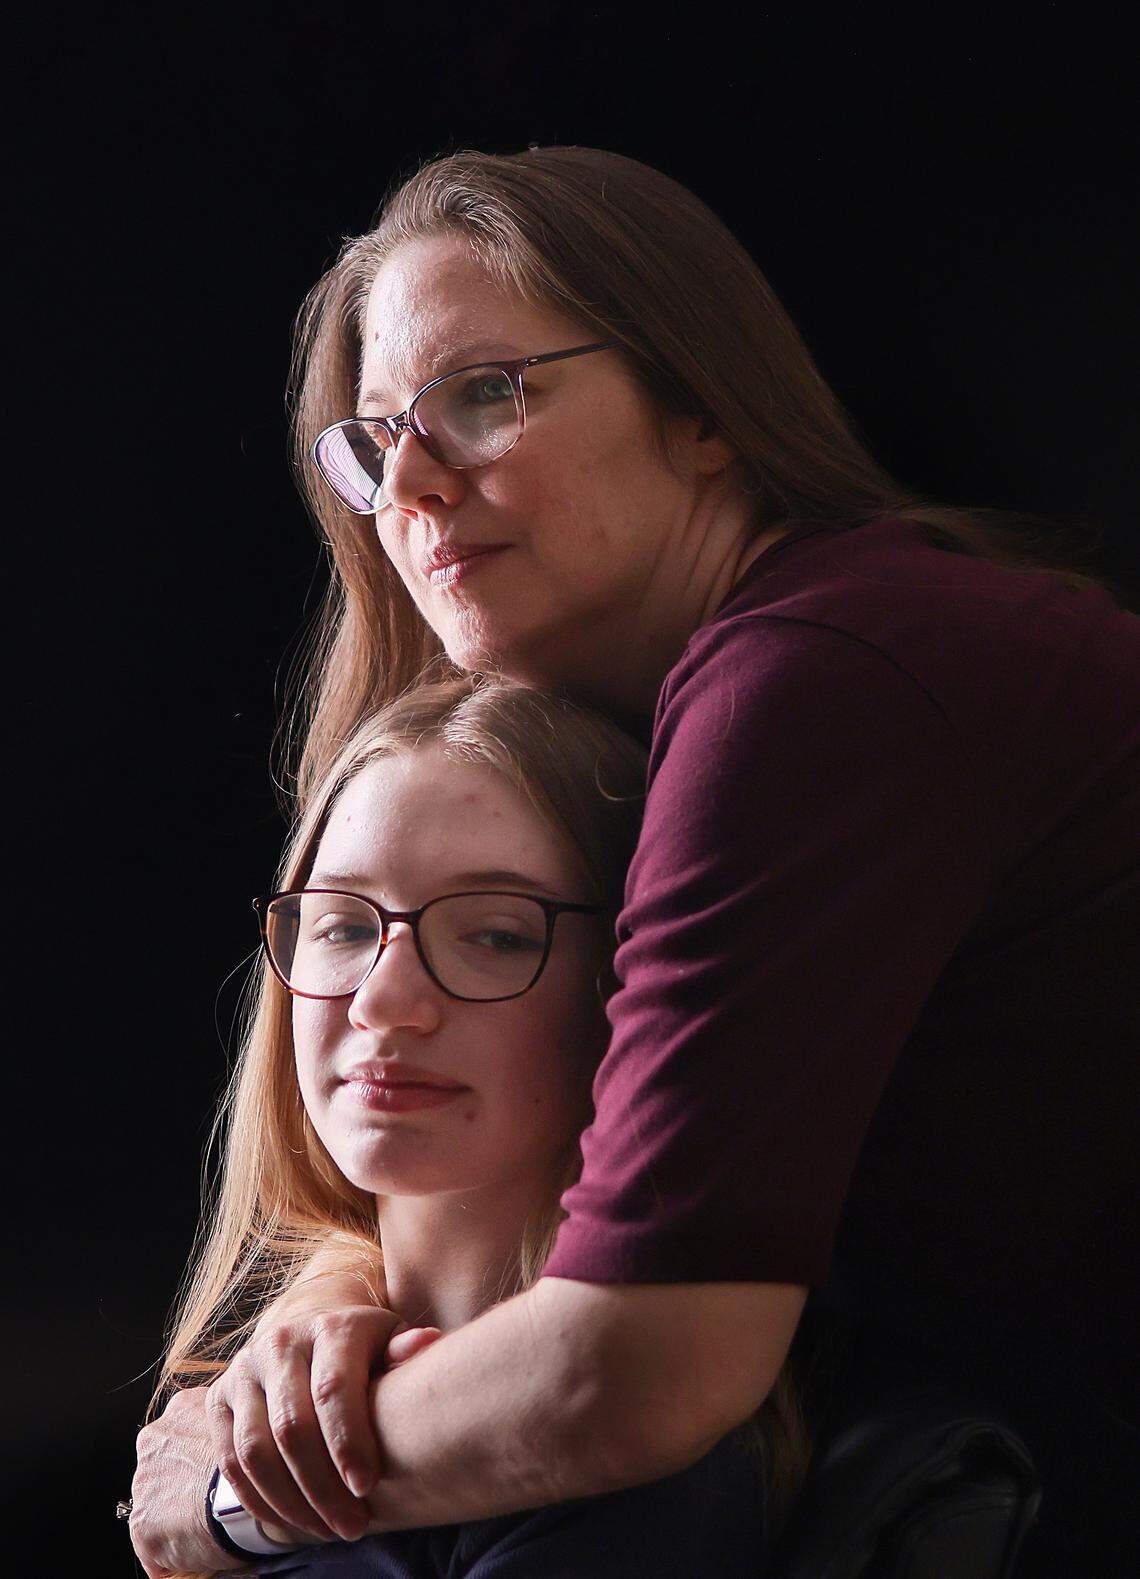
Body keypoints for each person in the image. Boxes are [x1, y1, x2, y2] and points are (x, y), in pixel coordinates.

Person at [134, 146, 1139, 1577]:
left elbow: (638, 1367)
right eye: (373, 442)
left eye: (486, 395)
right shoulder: (693, 710)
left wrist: (238, 1493)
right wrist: (346, 1294)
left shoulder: (814, 682)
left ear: (704, 407)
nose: (408, 480)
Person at [131, 675, 806, 1577]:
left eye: (495, 935)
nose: (383, 1001)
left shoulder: (642, 1473)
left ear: (631, 984)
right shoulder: (259, 1384)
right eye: (342, 927)